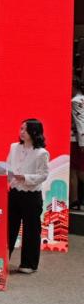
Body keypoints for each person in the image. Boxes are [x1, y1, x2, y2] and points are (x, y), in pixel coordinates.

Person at [6, 119, 50, 274]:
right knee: (9, 228)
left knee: (31, 229)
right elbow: (8, 166)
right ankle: (2, 259)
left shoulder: (41, 153)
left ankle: (28, 264)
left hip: (31, 195)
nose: (22, 132)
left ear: (34, 132)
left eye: (25, 129)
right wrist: (7, 174)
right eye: (21, 129)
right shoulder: (14, 147)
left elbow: (43, 175)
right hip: (14, 192)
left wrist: (24, 177)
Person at [70, 80, 84, 210]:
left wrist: (82, 143)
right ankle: (74, 200)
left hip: (76, 140)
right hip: (79, 140)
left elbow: (80, 122)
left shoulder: (75, 101)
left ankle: (74, 200)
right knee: (78, 169)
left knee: (75, 170)